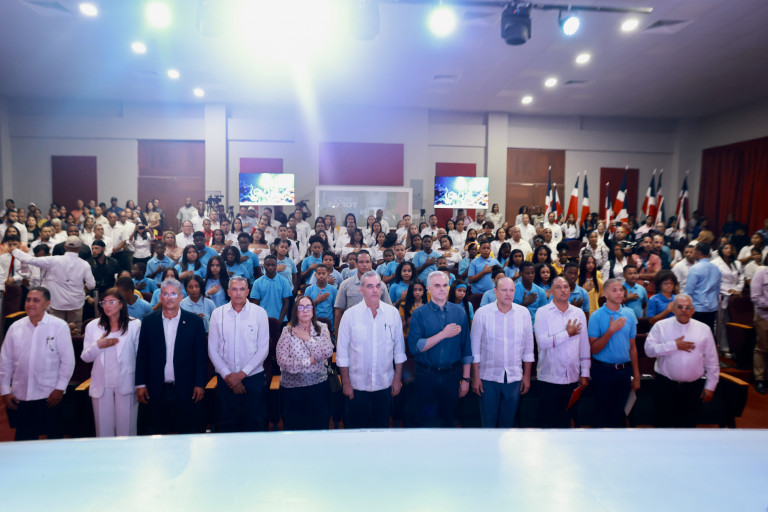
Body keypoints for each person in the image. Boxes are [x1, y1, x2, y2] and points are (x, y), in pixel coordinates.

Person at [0, 287, 74, 441]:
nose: (30, 304)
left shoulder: (59, 326)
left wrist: (60, 388)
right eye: (28, 300)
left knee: (54, 442)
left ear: (47, 304)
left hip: (50, 395)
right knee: (23, 443)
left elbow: (68, 361)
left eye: (36, 300)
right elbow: (5, 361)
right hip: (22, 395)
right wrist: (5, 390)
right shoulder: (15, 327)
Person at [135, 278, 207, 435]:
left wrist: (200, 384)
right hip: (156, 388)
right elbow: (142, 355)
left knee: (186, 434)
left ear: (181, 297)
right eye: (165, 294)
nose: (169, 298)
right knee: (156, 434)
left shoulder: (195, 322)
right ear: (160, 297)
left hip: (187, 388)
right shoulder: (148, 322)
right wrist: (140, 384)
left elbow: (201, 357)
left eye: (173, 294)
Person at [335, 271, 406, 429]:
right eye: (370, 286)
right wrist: (346, 383)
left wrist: (397, 379)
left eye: (378, 286)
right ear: (361, 289)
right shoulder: (349, 315)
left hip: (385, 384)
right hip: (356, 386)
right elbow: (342, 354)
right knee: (356, 432)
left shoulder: (393, 314)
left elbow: (399, 351)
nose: (375, 290)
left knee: (380, 430)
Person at [407, 272, 472, 428]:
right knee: (425, 422)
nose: (442, 289)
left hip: (451, 375)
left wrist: (466, 379)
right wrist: (443, 334)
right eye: (437, 285)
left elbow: (466, 349)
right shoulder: (419, 314)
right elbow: (415, 347)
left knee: (448, 421)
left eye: (445, 285)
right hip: (426, 375)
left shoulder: (459, 312)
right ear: (429, 288)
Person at [645, 294, 719, 427]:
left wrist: (710, 386)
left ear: (693, 310)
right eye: (680, 307)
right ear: (673, 309)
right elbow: (649, 351)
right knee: (662, 426)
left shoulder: (704, 329)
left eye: (687, 307)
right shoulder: (660, 326)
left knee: (687, 427)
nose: (684, 310)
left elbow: (712, 360)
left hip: (692, 388)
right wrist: (674, 345)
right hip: (665, 385)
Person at [207, 276, 270, 432]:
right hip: (225, 379)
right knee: (228, 422)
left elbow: (263, 349)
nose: (238, 293)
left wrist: (241, 375)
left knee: (254, 422)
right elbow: (212, 350)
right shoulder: (217, 314)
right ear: (228, 292)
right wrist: (228, 376)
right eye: (234, 289)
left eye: (242, 289)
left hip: (252, 377)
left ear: (248, 292)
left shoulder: (259, 313)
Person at [470, 276, 533, 428]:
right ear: (495, 291)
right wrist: (475, 377)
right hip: (487, 377)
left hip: (514, 377)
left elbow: (528, 348)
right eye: (504, 290)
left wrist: (526, 376)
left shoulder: (523, 313)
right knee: (488, 423)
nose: (508, 294)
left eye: (511, 290)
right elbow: (474, 349)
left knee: (508, 423)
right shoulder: (482, 313)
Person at [80, 288, 141, 437]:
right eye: (104, 302)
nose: (107, 306)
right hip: (101, 384)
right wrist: (98, 345)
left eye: (112, 302)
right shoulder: (92, 326)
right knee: (103, 431)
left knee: (126, 430)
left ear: (121, 304)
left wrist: (141, 384)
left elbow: (140, 356)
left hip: (126, 382)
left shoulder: (135, 325)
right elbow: (85, 357)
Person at [534, 276, 591, 428]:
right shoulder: (542, 312)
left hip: (572, 378)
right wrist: (567, 334)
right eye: (558, 287)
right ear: (551, 291)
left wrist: (585, 373)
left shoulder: (578, 313)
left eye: (566, 287)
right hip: (548, 378)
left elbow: (584, 345)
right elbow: (542, 343)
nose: (563, 290)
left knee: (567, 422)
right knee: (547, 424)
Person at [8, 236, 95, 332]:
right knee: (75, 333)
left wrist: (14, 251)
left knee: (54, 333)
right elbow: (91, 284)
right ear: (79, 248)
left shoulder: (53, 260)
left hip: (57, 304)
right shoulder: (84, 264)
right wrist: (83, 290)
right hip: (76, 304)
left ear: (65, 246)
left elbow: (31, 260)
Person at [587, 278, 640, 428]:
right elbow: (594, 349)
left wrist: (636, 375)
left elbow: (633, 347)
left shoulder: (629, 314)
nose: (619, 293)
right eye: (614, 290)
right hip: (602, 370)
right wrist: (610, 331)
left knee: (619, 414)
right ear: (605, 294)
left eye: (621, 290)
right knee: (600, 413)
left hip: (624, 370)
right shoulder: (596, 316)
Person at [334, 250, 392, 328]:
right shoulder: (345, 285)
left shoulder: (381, 285)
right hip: (352, 327)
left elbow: (388, 310)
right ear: (356, 264)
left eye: (367, 262)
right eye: (361, 262)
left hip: (375, 328)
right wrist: (337, 333)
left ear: (371, 264)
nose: (364, 265)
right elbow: (339, 311)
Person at [713, 242, 744, 356]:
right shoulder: (715, 263)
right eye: (726, 248)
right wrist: (729, 291)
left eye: (730, 248)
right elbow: (715, 281)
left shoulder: (737, 263)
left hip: (734, 296)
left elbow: (741, 278)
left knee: (731, 321)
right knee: (720, 322)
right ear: (721, 250)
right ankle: (720, 346)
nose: (728, 250)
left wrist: (737, 290)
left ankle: (730, 346)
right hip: (721, 294)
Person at [684, 242, 721, 336]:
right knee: (709, 334)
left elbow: (689, 291)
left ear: (699, 252)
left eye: (694, 250)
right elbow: (718, 290)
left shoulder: (695, 268)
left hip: (698, 307)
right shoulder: (716, 268)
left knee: (696, 335)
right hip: (712, 307)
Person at [250, 255, 292, 323]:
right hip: (262, 320)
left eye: (273, 265)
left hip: (280, 319)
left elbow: (286, 302)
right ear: (263, 266)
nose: (270, 267)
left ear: (276, 266)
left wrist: (280, 321)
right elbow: (255, 303)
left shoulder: (284, 282)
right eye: (268, 265)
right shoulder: (257, 283)